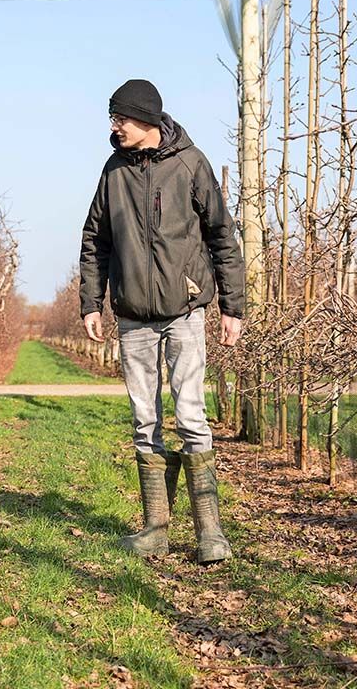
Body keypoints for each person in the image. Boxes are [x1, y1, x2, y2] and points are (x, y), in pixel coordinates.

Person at [78, 79, 244, 563]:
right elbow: (95, 241)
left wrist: (232, 307)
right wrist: (92, 302)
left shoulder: (191, 165)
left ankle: (210, 534)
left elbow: (221, 236)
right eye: (113, 118)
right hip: (132, 317)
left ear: (147, 119)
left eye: (121, 119)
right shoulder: (113, 172)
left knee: (191, 416)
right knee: (144, 419)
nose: (115, 127)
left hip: (185, 313)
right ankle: (155, 528)